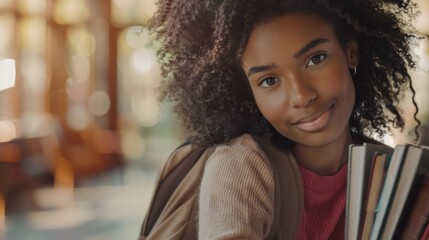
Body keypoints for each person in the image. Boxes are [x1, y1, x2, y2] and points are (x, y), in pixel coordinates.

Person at [147, 0, 421, 239]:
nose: (301, 95)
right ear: (249, 91)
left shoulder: (395, 176)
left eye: (316, 59)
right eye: (268, 81)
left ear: (351, 52)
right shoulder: (241, 163)